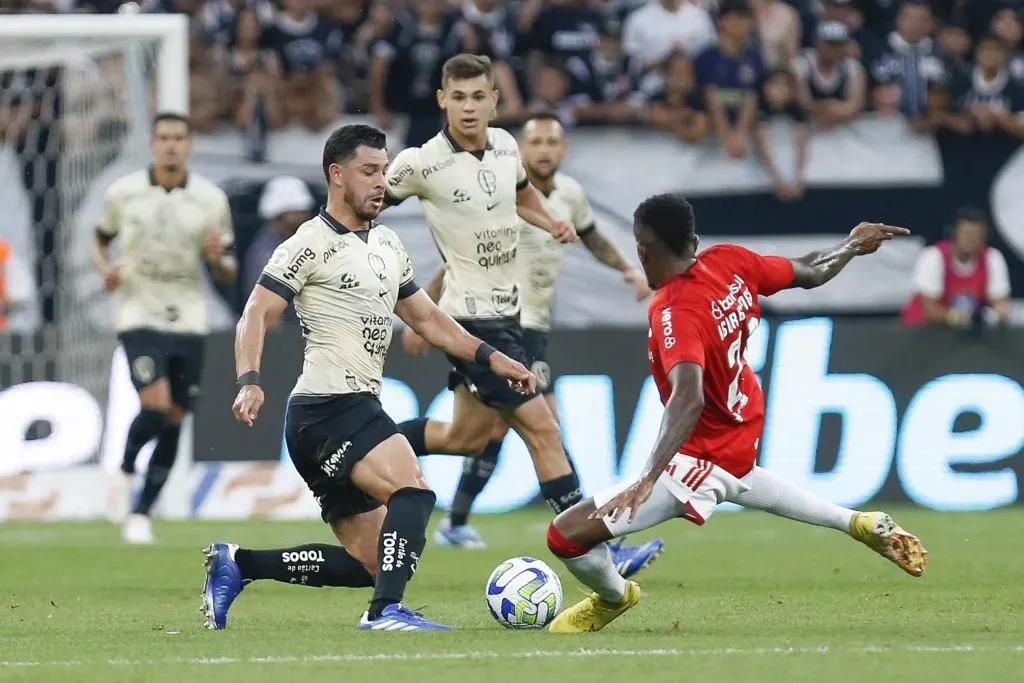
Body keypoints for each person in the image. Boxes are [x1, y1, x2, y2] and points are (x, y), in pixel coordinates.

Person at [201, 124, 535, 633]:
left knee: (373, 564)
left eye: (385, 170)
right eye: (370, 171)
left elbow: (428, 320)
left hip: (332, 415)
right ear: (337, 175)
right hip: (330, 406)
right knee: (415, 493)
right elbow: (255, 311)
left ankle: (240, 564)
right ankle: (385, 614)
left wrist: (491, 357)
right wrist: (249, 379)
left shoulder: (387, 245)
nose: (383, 181)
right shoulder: (307, 244)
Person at [544, 193, 928, 634]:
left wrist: (648, 478)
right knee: (738, 477)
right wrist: (850, 246)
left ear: (642, 250)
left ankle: (615, 597)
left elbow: (688, 398)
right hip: (740, 424)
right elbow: (810, 270)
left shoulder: (673, 310)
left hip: (699, 455)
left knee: (565, 536)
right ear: (694, 240)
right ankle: (856, 522)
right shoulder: (729, 261)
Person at [384, 54, 661, 575]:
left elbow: (522, 195)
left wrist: (550, 220)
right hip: (471, 324)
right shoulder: (421, 163)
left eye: (478, 97)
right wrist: (397, 291)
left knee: (464, 437)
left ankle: (364, 445)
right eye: (458, 97)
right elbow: (364, 205)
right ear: (442, 100)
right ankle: (600, 548)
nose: (468, 108)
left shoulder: (507, 148)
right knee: (543, 428)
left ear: (495, 100)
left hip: (508, 317)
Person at [93, 112, 237, 545]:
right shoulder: (124, 193)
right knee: (155, 405)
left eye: (178, 137)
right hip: (137, 311)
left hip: (189, 315)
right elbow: (100, 238)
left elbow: (228, 270)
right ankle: (123, 469)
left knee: (175, 418)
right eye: (163, 138)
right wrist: (106, 270)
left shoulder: (211, 199)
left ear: (189, 144)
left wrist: (216, 259)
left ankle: (141, 513)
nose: (171, 145)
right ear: (152, 144)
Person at [901, 207, 1011, 329]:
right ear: (954, 233)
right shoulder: (934, 257)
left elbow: (1001, 304)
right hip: (923, 331)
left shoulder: (992, 258)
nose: (971, 239)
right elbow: (930, 310)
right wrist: (959, 319)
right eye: (967, 233)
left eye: (978, 234)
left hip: (965, 333)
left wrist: (990, 317)